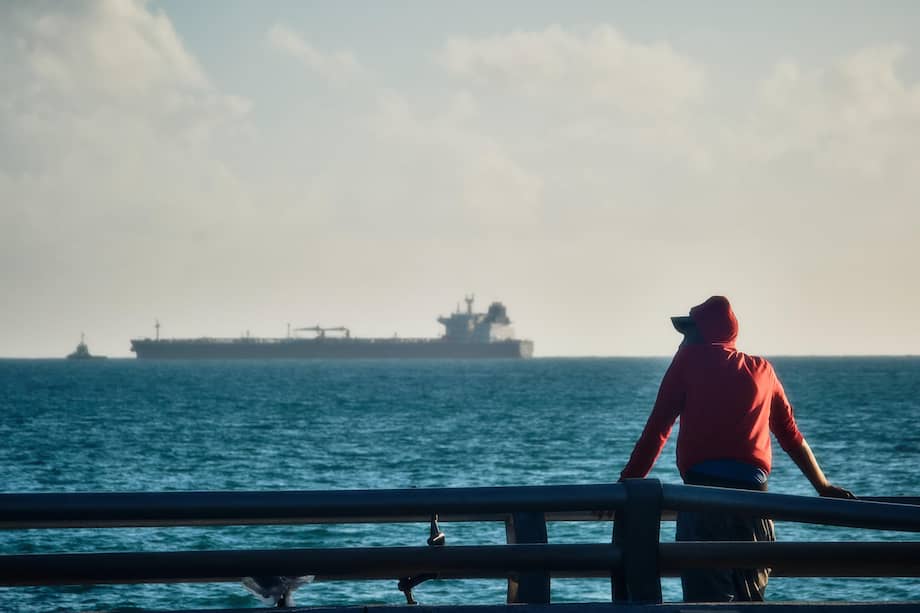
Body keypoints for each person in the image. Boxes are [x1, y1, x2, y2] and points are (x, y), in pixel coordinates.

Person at [619, 295, 853, 602]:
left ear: (704, 332)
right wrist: (822, 486)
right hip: (755, 504)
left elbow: (657, 431)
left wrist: (626, 484)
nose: (682, 341)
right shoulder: (763, 370)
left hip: (702, 500)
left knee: (705, 603)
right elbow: (791, 435)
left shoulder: (686, 362)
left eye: (688, 332)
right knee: (751, 601)